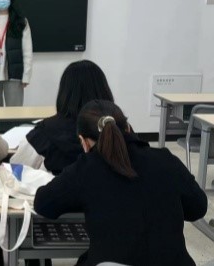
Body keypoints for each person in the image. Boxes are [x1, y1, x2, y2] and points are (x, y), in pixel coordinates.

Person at [34, 100, 207, 266]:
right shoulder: (165, 160)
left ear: (84, 142)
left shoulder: (85, 169)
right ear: (128, 128)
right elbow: (198, 207)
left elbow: (43, 204)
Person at [10, 60, 114, 174]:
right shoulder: (117, 129)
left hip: (57, 185)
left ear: (65, 93)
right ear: (104, 91)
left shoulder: (44, 133)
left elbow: (15, 171)